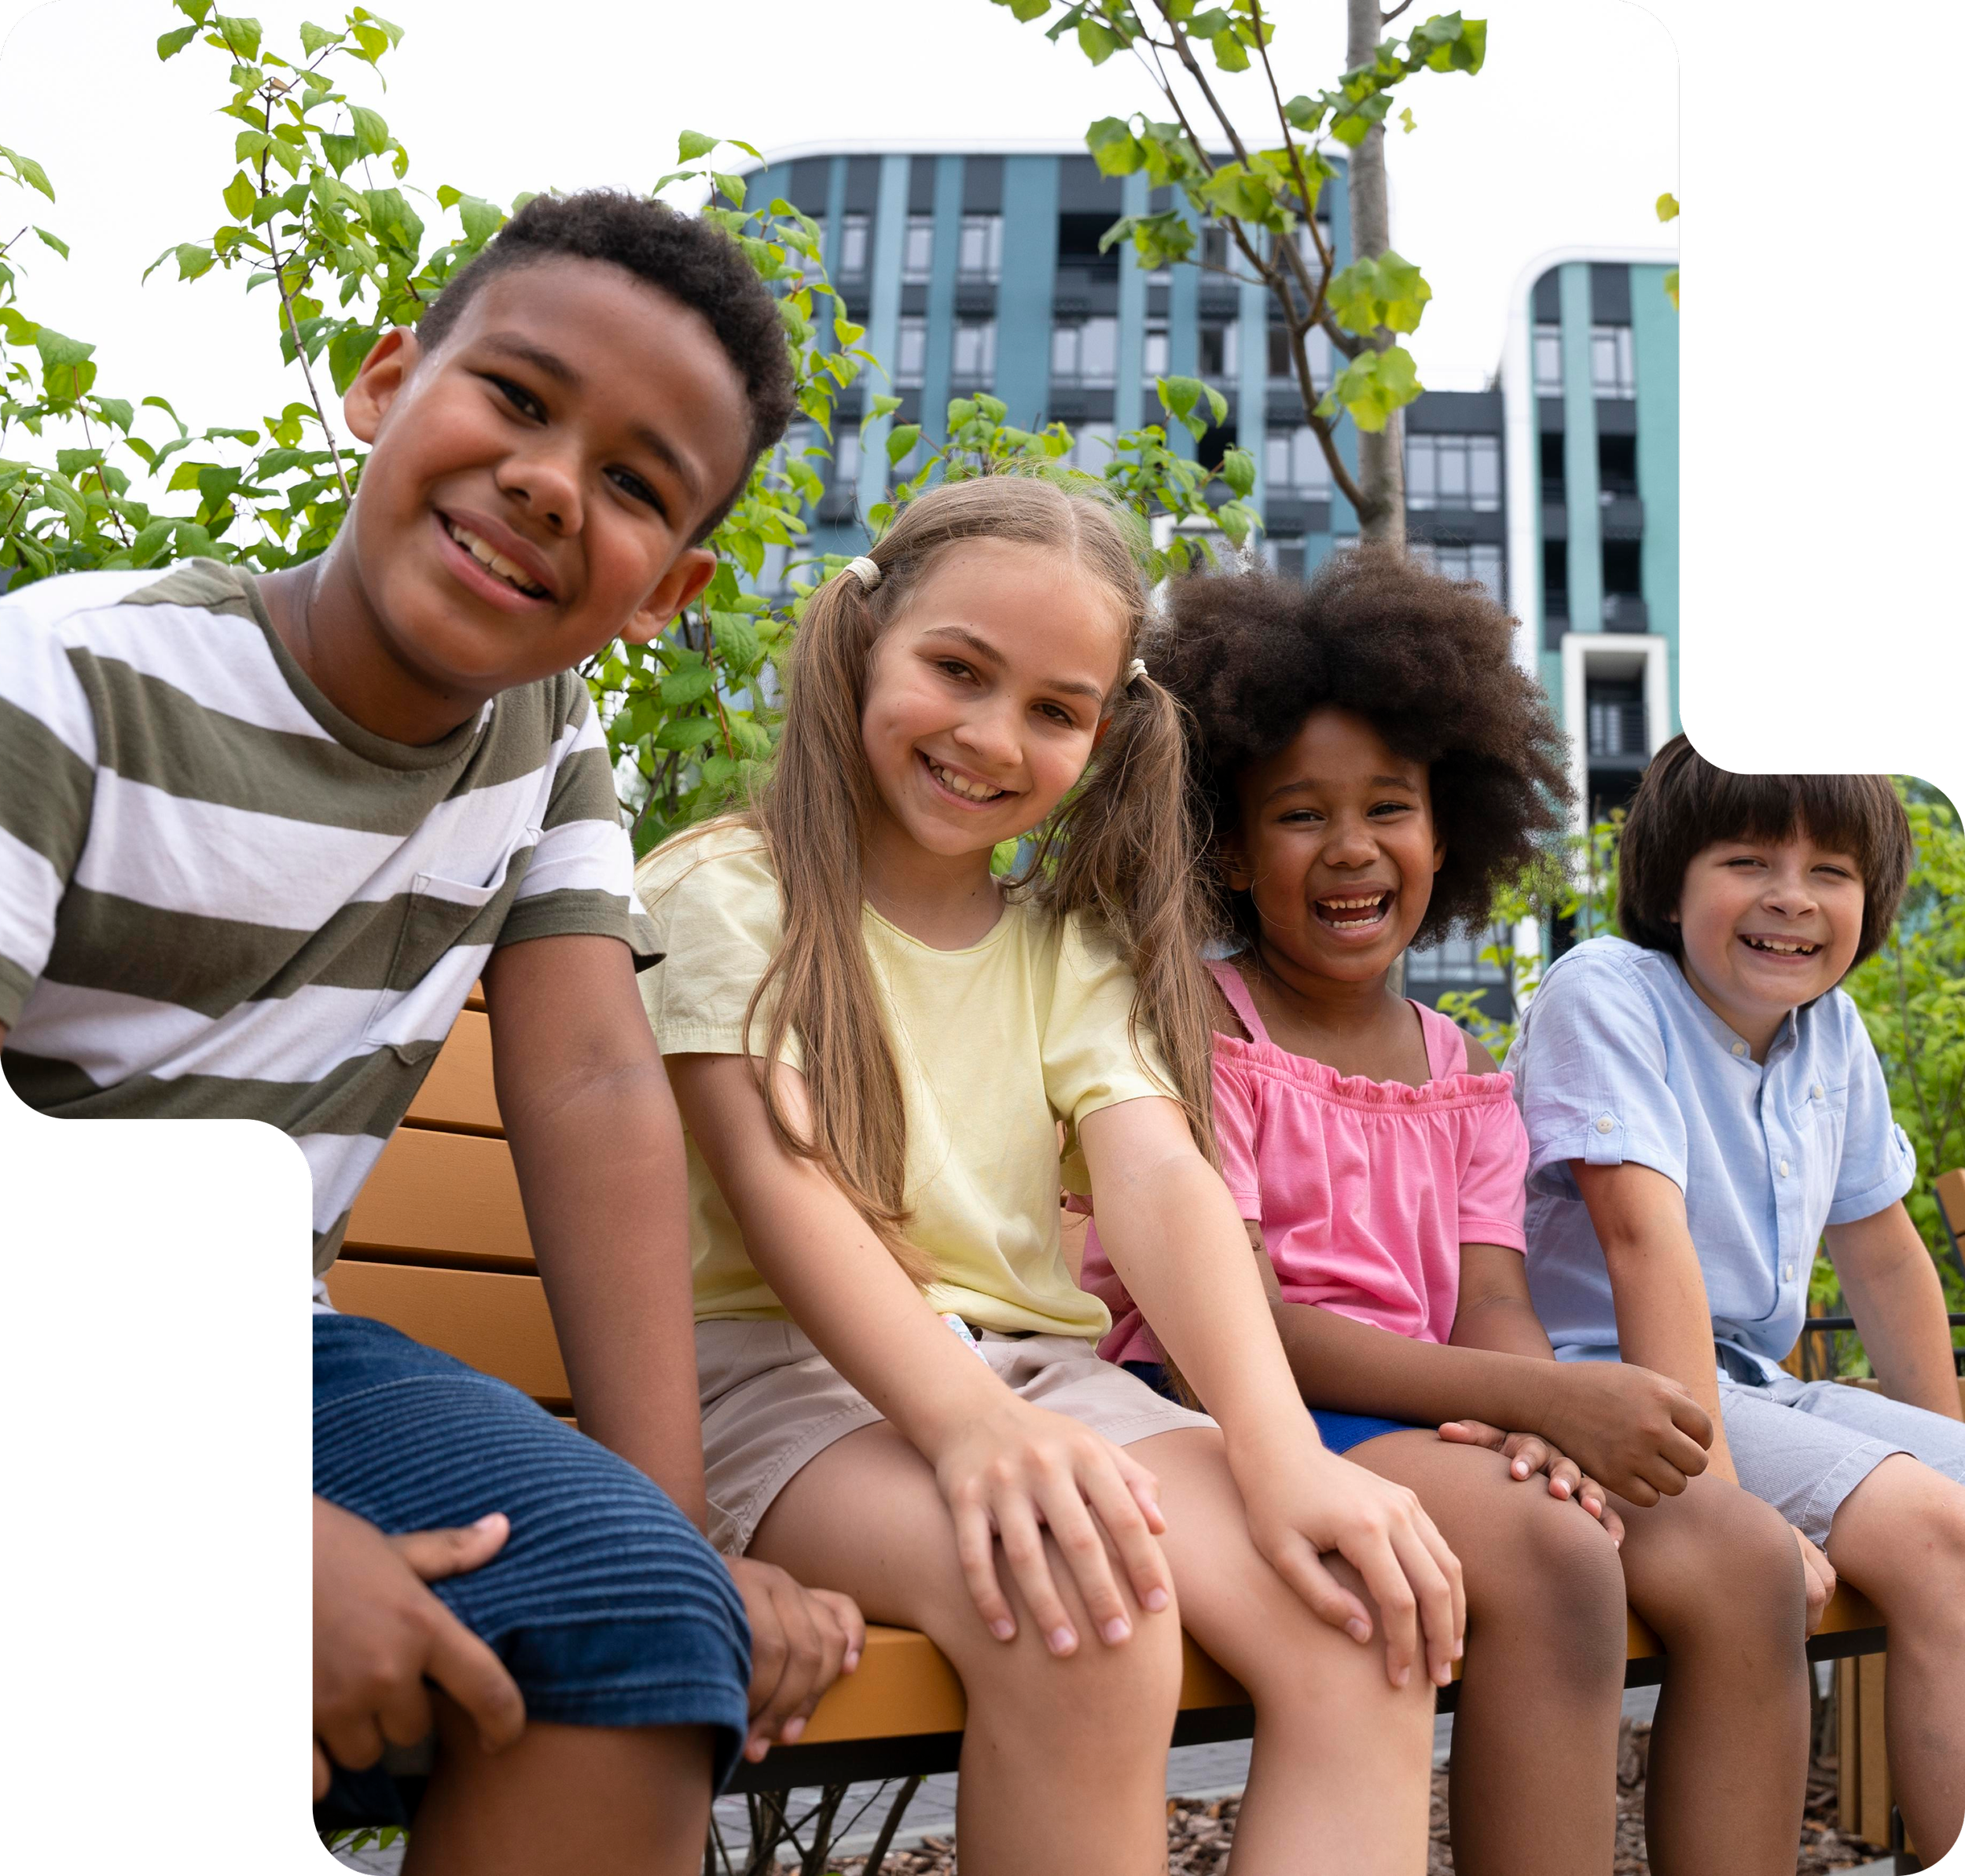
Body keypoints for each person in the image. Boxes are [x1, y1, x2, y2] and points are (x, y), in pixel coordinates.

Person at [0, 190, 862, 1876]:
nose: (552, 481)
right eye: (518, 400)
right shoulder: (63, 685)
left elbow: (598, 1078)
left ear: (667, 586)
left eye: (630, 484)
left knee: (631, 1614)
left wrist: (684, 1536)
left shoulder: (538, 738)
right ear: (385, 383)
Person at [637, 475, 1464, 1876]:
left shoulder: (1062, 948)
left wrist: (1279, 1461)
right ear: (862, 632)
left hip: (1035, 1377)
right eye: (957, 670)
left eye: (1053, 709)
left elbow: (1161, 1188)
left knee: (1354, 1611)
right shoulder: (730, 891)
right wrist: (969, 1430)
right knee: (1086, 1605)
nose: (989, 737)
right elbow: (787, 1198)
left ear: (1104, 728)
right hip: (782, 1385)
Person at [1080, 553, 1815, 1876]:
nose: (1354, 847)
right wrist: (1532, 1413)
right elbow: (1237, 1326)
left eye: (1392, 808)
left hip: (1440, 1413)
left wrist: (1546, 1423)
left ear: (1450, 828)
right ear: (1231, 847)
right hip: (1248, 1411)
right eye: (1301, 813)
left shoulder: (1466, 1072)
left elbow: (1495, 1307)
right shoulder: (1202, 1032)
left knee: (1747, 1558)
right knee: (1556, 1561)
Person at [1513, 736, 1965, 1863]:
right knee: (1936, 1537)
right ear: (1670, 880)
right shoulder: (1608, 992)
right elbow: (1639, 1235)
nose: (1791, 899)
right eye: (1748, 859)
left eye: (1832, 871)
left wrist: (1941, 1440)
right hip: (1603, 1387)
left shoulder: (1833, 1035)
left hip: (1752, 1381)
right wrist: (1722, 1508)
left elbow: (1887, 1256)